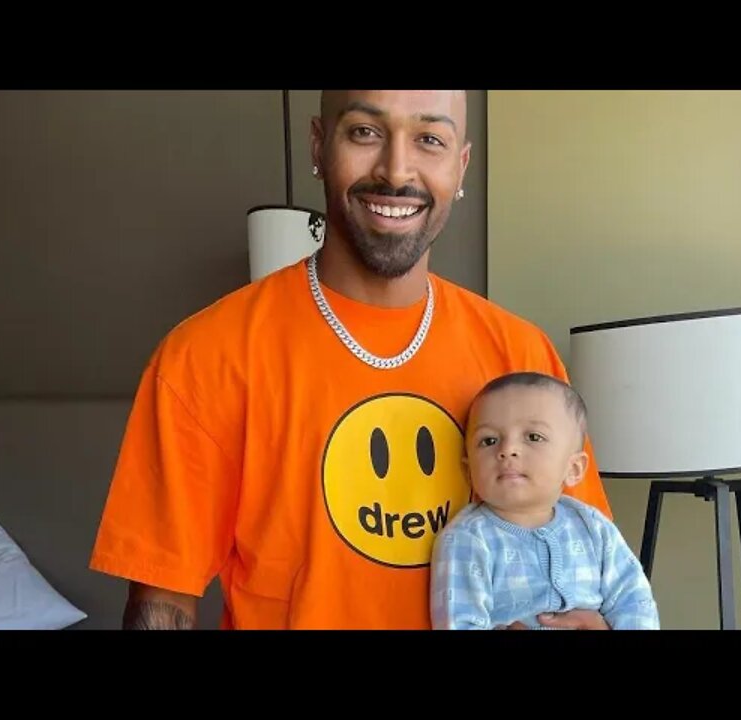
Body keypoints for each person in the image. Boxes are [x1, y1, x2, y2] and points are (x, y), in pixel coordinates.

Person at [89, 90, 614, 630]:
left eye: (429, 139)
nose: (396, 170)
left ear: (460, 168)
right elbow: (162, 605)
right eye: (365, 132)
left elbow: (587, 571)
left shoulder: (522, 356)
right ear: (319, 146)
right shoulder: (204, 356)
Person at [430, 372, 660, 630]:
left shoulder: (594, 527)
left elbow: (634, 600)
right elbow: (458, 622)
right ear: (468, 470)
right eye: (489, 440)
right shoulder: (467, 539)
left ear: (574, 468)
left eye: (533, 437)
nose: (507, 449)